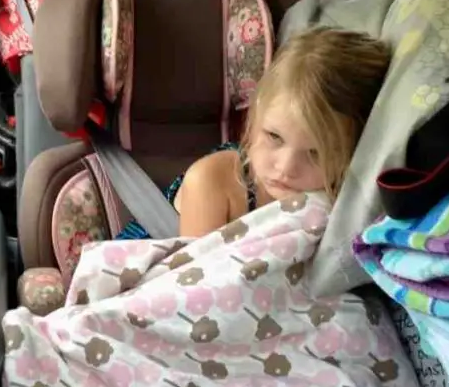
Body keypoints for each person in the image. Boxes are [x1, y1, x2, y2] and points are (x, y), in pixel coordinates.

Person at [116, 27, 392, 240]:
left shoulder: (346, 200)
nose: (285, 168)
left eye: (316, 153)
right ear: (255, 113)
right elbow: (191, 286)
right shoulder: (213, 181)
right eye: (274, 137)